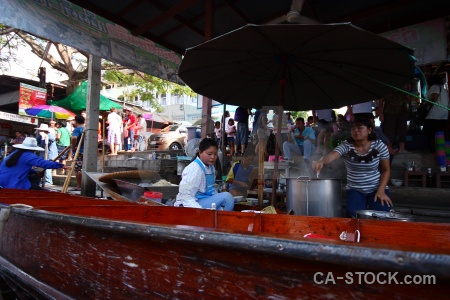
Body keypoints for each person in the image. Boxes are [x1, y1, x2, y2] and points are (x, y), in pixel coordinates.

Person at [312, 118, 392, 218]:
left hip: (376, 188)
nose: (356, 131)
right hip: (355, 189)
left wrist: (381, 190)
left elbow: (386, 170)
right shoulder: (346, 146)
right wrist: (321, 161)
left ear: (369, 130)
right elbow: (331, 156)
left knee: (382, 214)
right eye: (353, 129)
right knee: (354, 214)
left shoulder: (379, 145)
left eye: (360, 128)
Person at [174, 138, 234, 210]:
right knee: (227, 197)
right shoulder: (194, 168)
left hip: (205, 201)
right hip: (194, 204)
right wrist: (201, 212)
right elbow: (186, 196)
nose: (213, 157)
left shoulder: (211, 167)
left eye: (215, 154)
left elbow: (211, 191)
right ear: (200, 152)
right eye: (209, 154)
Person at [378, 86, 411, 154]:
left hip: (402, 111)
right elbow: (380, 103)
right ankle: (388, 149)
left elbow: (408, 99)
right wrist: (381, 114)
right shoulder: (386, 88)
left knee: (402, 129)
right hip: (389, 112)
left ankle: (402, 149)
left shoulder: (402, 88)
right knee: (389, 131)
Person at [423, 75, 449, 152]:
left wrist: (422, 106)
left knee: (430, 133)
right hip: (443, 115)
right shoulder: (444, 89)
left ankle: (432, 150)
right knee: (440, 134)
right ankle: (440, 150)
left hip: (434, 115)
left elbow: (434, 98)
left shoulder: (435, 86)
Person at [70, 115, 85, 192]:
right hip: (86, 151)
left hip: (78, 151)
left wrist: (73, 147)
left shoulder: (77, 129)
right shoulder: (86, 129)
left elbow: (74, 138)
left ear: (76, 121)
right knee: (82, 169)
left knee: (78, 169)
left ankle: (79, 186)